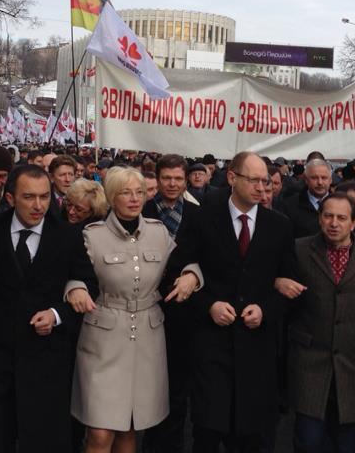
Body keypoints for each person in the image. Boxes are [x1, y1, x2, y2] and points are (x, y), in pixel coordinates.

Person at [66, 166, 202, 453]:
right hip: (103, 340)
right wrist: (75, 287)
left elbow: (179, 265)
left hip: (147, 338)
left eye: (139, 192)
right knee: (100, 433)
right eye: (126, 192)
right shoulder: (92, 235)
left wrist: (192, 274)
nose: (134, 198)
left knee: (129, 430)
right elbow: (73, 271)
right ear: (112, 197)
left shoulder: (158, 231)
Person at [172, 151, 298, 452]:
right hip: (211, 348)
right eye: (252, 180)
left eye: (265, 181)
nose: (261, 187)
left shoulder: (279, 226)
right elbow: (177, 274)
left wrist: (265, 310)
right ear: (231, 178)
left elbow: (289, 286)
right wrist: (208, 305)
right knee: (207, 435)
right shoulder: (202, 219)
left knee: (252, 439)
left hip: (257, 351)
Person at [0, 164, 96, 453]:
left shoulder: (67, 236)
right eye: (29, 197)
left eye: (45, 196)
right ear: (10, 198)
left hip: (47, 359)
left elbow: (89, 283)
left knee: (44, 438)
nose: (38, 205)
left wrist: (56, 314)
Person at [286, 193, 355, 453]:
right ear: (319, 218)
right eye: (328, 216)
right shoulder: (298, 250)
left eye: (342, 218)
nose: (334, 223)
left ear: (354, 222)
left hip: (354, 363)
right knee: (308, 442)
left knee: (345, 444)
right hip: (309, 361)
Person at [141, 155, 202, 453]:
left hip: (182, 310)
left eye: (178, 178)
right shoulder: (141, 210)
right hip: (144, 306)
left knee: (178, 385)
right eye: (167, 178)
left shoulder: (197, 214)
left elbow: (205, 256)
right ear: (158, 178)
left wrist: (193, 273)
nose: (173, 184)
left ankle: (172, 444)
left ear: (186, 179)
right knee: (147, 384)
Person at [282, 158, 333, 238]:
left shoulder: (343, 204)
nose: (320, 182)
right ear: (306, 180)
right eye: (314, 178)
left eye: (324, 178)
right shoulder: (289, 206)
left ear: (330, 180)